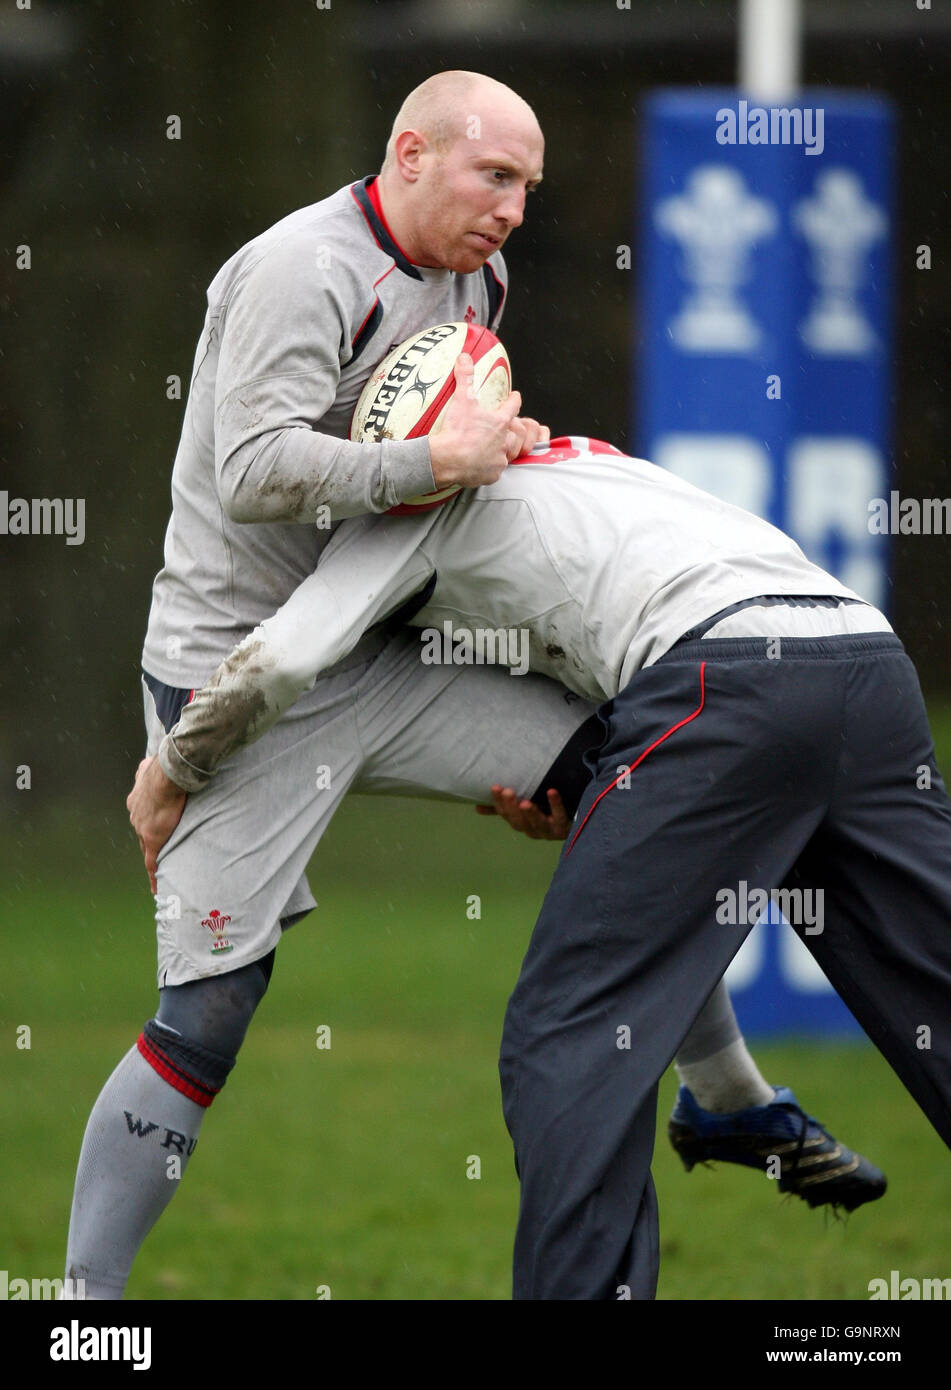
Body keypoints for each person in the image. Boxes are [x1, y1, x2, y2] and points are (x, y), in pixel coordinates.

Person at [64, 71, 877, 1302]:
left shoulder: (476, 279)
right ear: (408, 152)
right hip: (240, 666)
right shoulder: (302, 267)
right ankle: (85, 1312)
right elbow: (251, 470)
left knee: (630, 782)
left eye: (529, 190)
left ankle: (725, 1103)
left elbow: (445, 479)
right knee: (210, 1010)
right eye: (493, 177)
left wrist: (453, 465)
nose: (512, 211)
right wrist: (434, 457)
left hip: (394, 645)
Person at [128, 418, 944, 1302]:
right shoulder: (583, 459)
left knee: (571, 1036)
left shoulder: (411, 510)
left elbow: (281, 658)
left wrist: (171, 771)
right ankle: (725, 1099)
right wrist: (613, 791)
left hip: (728, 684)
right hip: (866, 663)